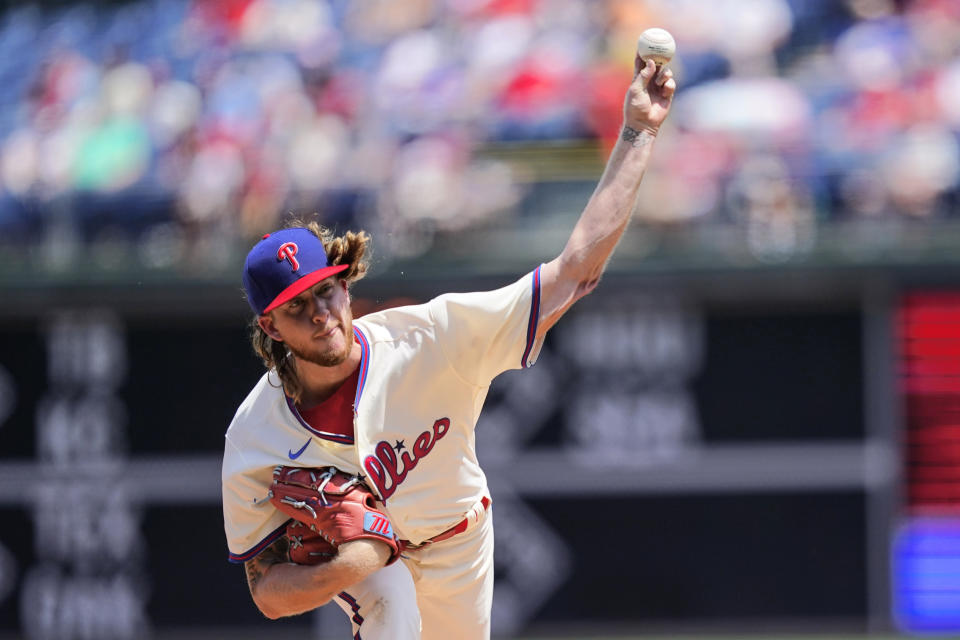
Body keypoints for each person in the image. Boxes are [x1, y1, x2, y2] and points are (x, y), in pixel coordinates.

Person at [221, 54, 675, 640]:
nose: (321, 315)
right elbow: (267, 594)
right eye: (296, 308)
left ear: (345, 285)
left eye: (326, 292)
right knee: (392, 603)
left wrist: (639, 130)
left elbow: (575, 270)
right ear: (271, 327)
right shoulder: (255, 435)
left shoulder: (431, 337)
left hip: (460, 545)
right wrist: (353, 561)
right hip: (372, 574)